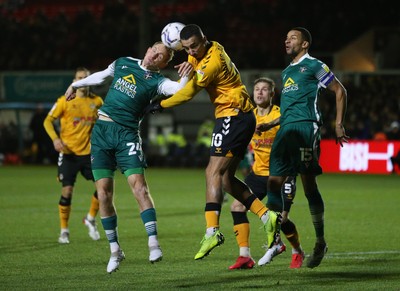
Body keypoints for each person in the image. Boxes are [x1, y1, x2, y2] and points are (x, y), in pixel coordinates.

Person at [147, 24, 282, 261]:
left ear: (204, 40)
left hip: (233, 114)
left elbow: (187, 94)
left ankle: (212, 231)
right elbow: (193, 60)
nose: (191, 51)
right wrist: (191, 62)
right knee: (227, 180)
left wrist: (160, 104)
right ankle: (266, 216)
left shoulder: (212, 63)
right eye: (187, 48)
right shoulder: (211, 48)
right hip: (239, 115)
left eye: (194, 47)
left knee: (212, 172)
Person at [64, 41, 193, 273]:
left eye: (160, 56)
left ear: (165, 63)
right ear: (148, 49)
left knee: (140, 189)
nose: (154, 55)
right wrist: (77, 84)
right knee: (103, 193)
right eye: (154, 50)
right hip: (102, 133)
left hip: (127, 136)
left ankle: (153, 242)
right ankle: (115, 250)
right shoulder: (123, 63)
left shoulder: (158, 81)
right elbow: (101, 77)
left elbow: (179, 91)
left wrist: (186, 75)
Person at [257, 27, 348, 269]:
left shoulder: (314, 65)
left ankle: (320, 242)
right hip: (285, 130)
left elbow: (340, 90)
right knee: (273, 182)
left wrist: (338, 123)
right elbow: (288, 108)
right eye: (285, 37)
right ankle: (276, 240)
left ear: (305, 44)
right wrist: (271, 124)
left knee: (309, 185)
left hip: (306, 128)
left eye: (293, 37)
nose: (287, 40)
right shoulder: (287, 70)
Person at [229, 77, 304, 270]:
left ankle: (297, 250)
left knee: (281, 219)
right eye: (257, 90)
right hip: (258, 174)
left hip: (282, 174)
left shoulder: (281, 116)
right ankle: (244, 256)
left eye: (264, 90)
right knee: (237, 207)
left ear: (272, 94)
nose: (259, 93)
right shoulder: (249, 117)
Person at [43, 67, 104, 244]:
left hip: (89, 153)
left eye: (86, 77)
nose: (83, 80)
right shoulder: (64, 101)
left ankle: (91, 218)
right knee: (67, 191)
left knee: (103, 189)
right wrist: (55, 139)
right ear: (74, 80)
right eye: (80, 77)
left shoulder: (97, 101)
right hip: (68, 153)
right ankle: (64, 231)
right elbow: (47, 121)